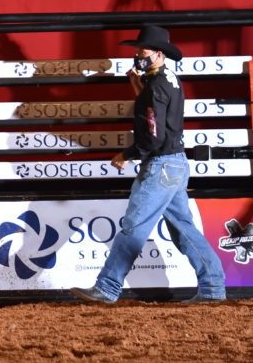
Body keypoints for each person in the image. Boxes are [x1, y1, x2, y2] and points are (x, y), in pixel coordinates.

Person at [71, 25, 226, 304]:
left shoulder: (155, 87)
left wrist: (126, 154)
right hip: (176, 164)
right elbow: (161, 117)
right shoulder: (168, 79)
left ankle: (107, 287)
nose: (137, 54)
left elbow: (154, 136)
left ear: (158, 53)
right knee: (183, 229)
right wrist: (138, 88)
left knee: (134, 225)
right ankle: (213, 286)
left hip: (161, 165)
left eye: (142, 50)